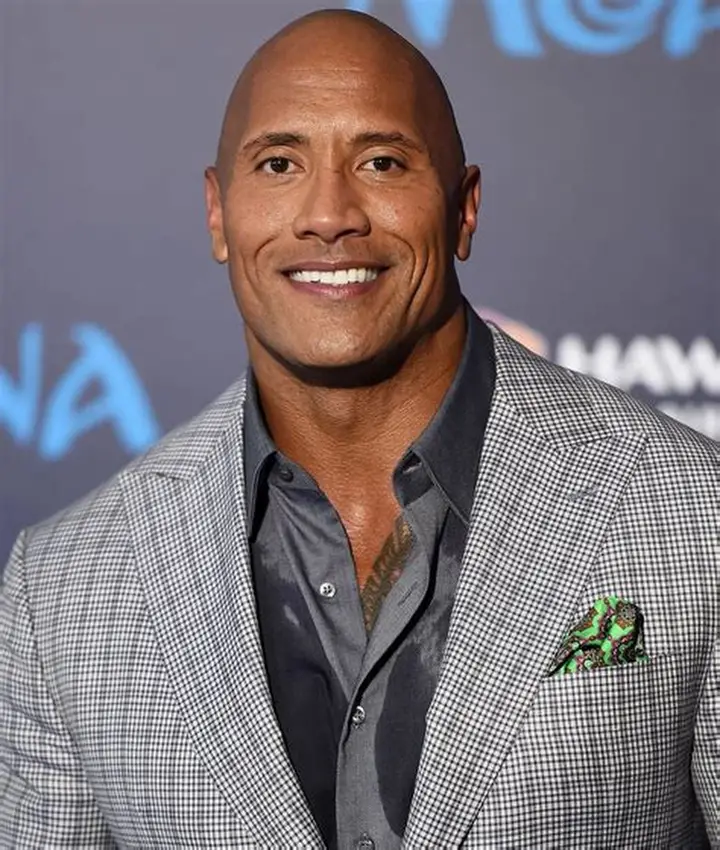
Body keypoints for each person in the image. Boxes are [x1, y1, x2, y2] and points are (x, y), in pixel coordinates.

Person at [1, 8, 717, 848]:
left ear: (463, 208)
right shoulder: (62, 587)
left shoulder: (693, 513)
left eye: (381, 161)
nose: (329, 214)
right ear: (218, 214)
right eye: (279, 163)